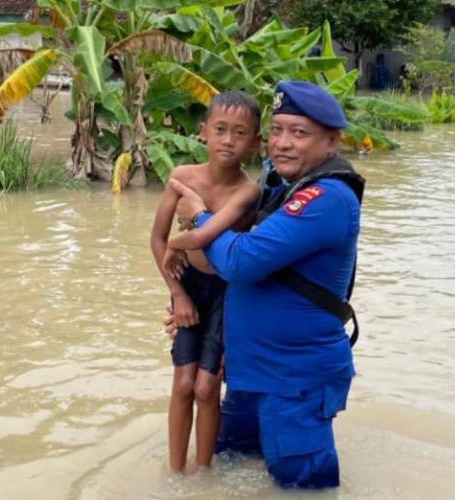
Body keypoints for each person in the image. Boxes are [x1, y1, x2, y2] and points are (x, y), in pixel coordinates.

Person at [167, 80, 365, 488]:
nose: (283, 143)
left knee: (300, 488)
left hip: (293, 383)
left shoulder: (326, 198)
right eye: (277, 130)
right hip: (247, 374)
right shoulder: (280, 181)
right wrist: (192, 307)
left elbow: (241, 260)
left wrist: (198, 218)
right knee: (227, 470)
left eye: (300, 133)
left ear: (332, 140)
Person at [149, 91, 262, 473]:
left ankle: (205, 474)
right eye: (220, 130)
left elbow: (200, 235)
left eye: (240, 133)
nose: (228, 140)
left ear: (255, 142)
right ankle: (176, 475)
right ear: (203, 133)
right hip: (191, 288)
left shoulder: (249, 191)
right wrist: (177, 294)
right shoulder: (182, 177)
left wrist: (177, 246)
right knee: (182, 386)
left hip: (228, 294)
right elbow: (156, 239)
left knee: (206, 387)